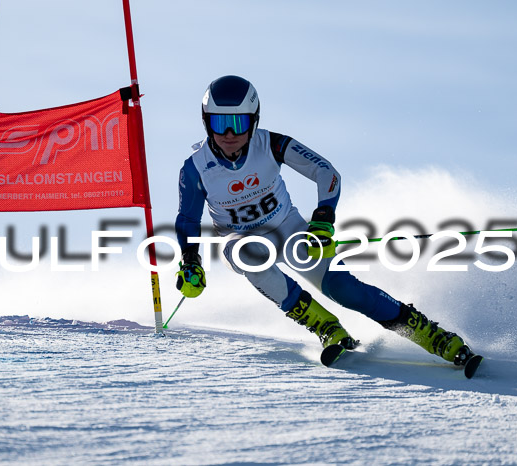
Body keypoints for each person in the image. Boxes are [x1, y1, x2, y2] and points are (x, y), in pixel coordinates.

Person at [174, 75, 475, 367]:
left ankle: (431, 335)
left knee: (345, 290)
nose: (229, 134)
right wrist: (190, 262)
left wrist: (322, 221)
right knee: (249, 254)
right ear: (206, 121)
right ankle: (326, 328)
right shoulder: (196, 168)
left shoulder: (272, 144)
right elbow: (188, 218)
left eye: (238, 123)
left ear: (254, 121)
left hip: (287, 228)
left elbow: (326, 172)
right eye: (219, 123)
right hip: (238, 240)